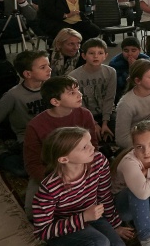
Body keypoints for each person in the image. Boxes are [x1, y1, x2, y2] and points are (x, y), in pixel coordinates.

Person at [24, 128, 132, 246]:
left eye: (89, 142)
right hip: (63, 227)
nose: (93, 147)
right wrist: (83, 217)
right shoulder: (49, 188)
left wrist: (115, 225)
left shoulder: (98, 161)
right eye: (84, 147)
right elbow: (42, 231)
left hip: (92, 216)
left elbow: (104, 195)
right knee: (100, 245)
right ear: (64, 159)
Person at [24, 76, 99, 215]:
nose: (80, 94)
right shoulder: (35, 126)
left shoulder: (85, 114)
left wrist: (83, 173)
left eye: (78, 89)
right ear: (55, 101)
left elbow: (93, 145)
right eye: (71, 93)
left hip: (81, 165)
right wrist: (58, 181)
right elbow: (32, 163)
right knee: (31, 212)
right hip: (52, 170)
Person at [71, 38, 116, 141]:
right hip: (84, 113)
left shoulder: (111, 72)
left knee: (115, 133)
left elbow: (110, 97)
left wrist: (105, 122)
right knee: (85, 137)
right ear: (84, 56)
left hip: (106, 112)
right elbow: (79, 103)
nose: (96, 56)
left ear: (105, 56)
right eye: (91, 53)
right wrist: (93, 123)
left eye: (100, 53)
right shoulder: (74, 76)